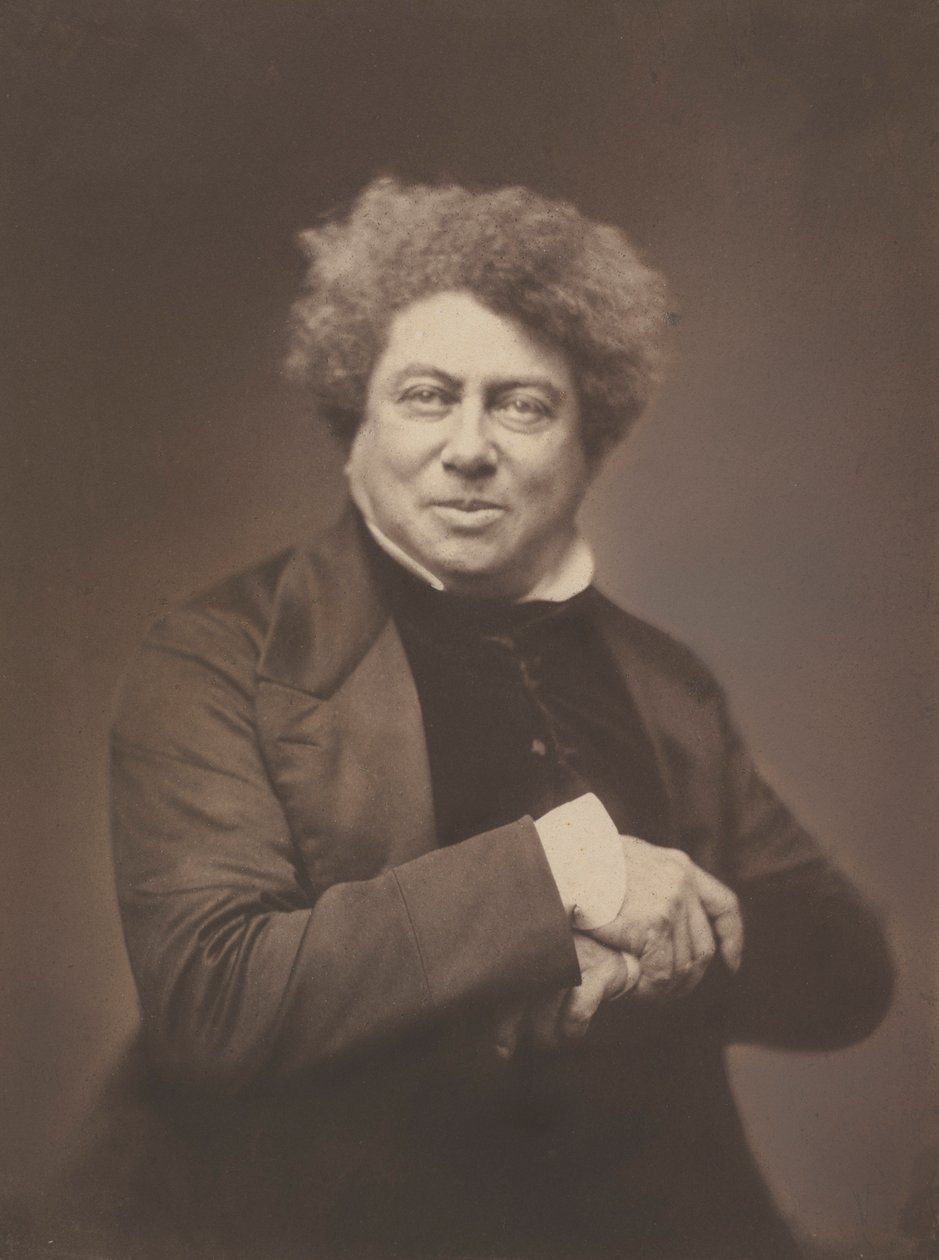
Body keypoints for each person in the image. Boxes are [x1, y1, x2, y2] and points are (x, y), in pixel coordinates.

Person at [103, 177, 892, 1260]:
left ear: (588, 443)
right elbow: (212, 1000)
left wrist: (647, 951)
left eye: (522, 405)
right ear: (356, 423)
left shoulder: (665, 681)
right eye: (428, 396)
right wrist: (567, 876)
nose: (469, 446)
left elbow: (847, 971)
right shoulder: (220, 657)